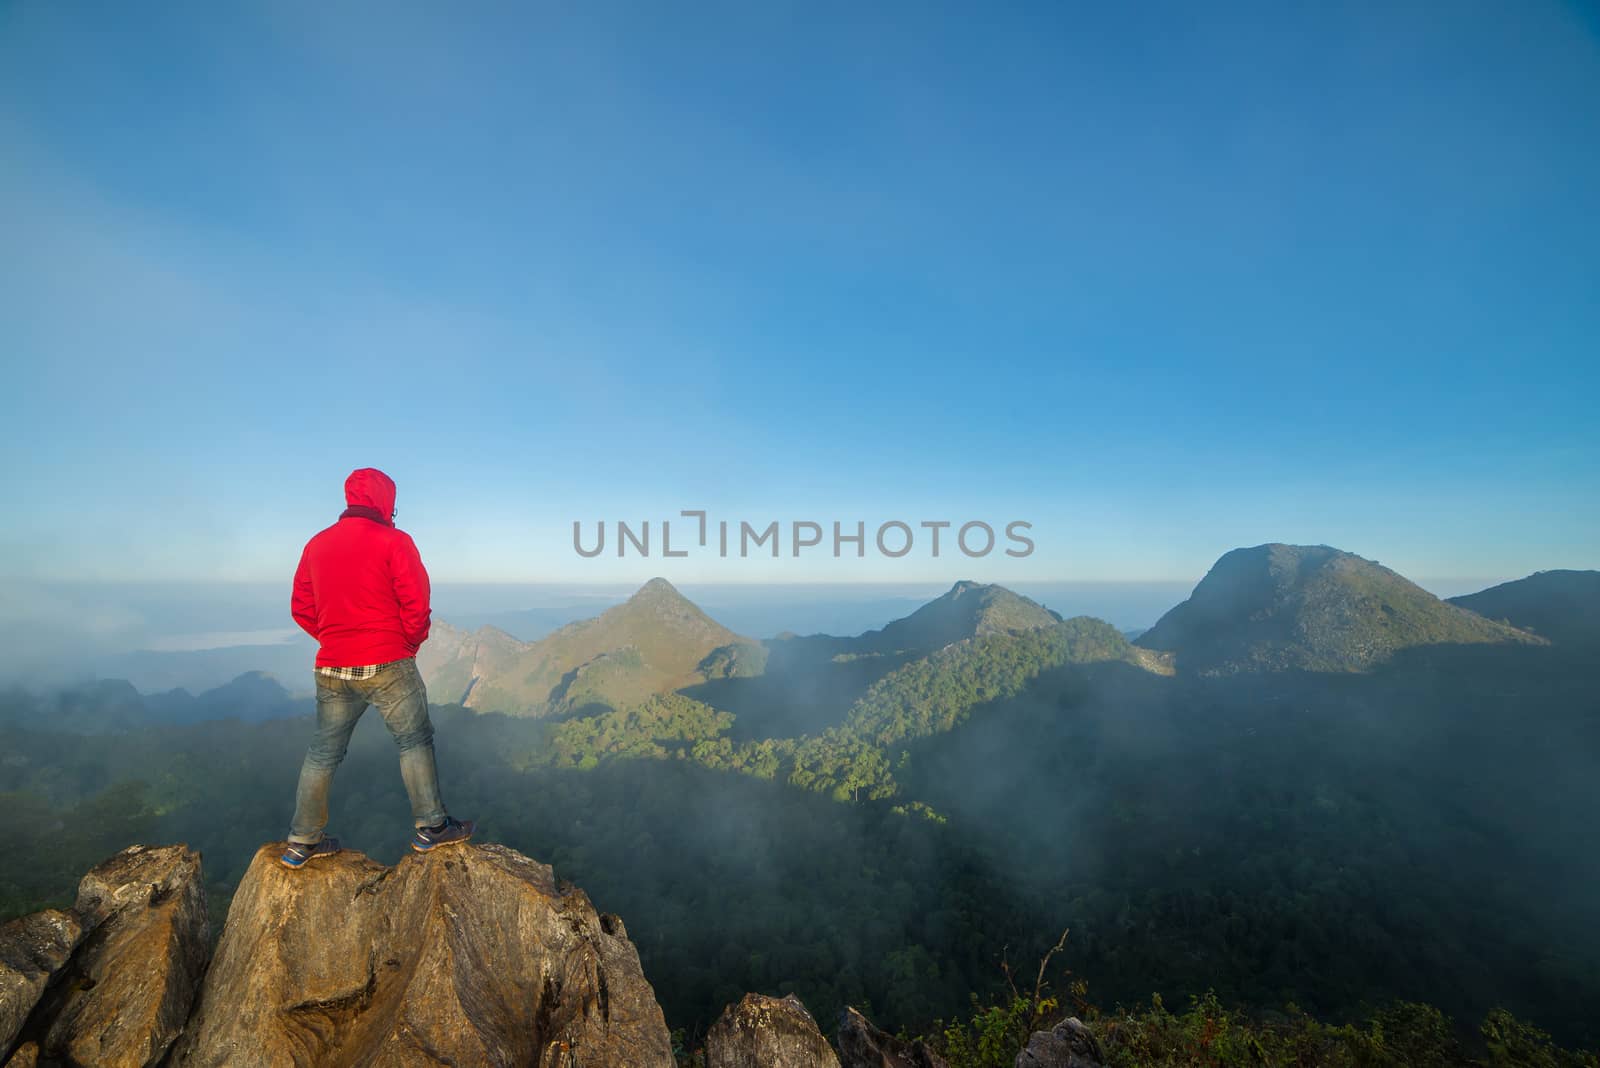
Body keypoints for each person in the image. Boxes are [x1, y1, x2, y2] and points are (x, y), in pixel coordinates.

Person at [282, 466, 474, 868]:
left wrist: (335, 638)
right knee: (414, 741)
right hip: (388, 662)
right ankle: (432, 827)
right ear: (385, 502)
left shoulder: (316, 545)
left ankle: (302, 841)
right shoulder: (394, 541)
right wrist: (408, 642)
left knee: (322, 754)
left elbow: (301, 606)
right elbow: (416, 604)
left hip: (332, 667)